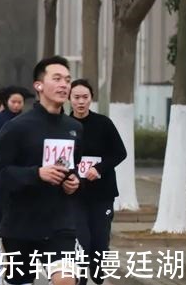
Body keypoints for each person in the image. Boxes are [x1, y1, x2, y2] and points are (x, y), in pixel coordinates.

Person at [0, 56, 83, 285]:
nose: (64, 85)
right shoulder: (17, 127)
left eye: (67, 80)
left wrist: (73, 182)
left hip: (60, 223)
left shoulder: (74, 128)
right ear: (39, 85)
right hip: (21, 224)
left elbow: (74, 169)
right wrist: (36, 174)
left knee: (66, 281)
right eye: (57, 78)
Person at [69, 79, 127, 285]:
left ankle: (98, 266)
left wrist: (98, 168)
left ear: (91, 99)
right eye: (76, 97)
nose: (81, 102)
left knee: (100, 244)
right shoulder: (65, 126)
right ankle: (81, 279)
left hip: (102, 194)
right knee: (81, 242)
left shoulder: (103, 124)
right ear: (70, 99)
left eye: (85, 97)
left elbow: (120, 153)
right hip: (75, 195)